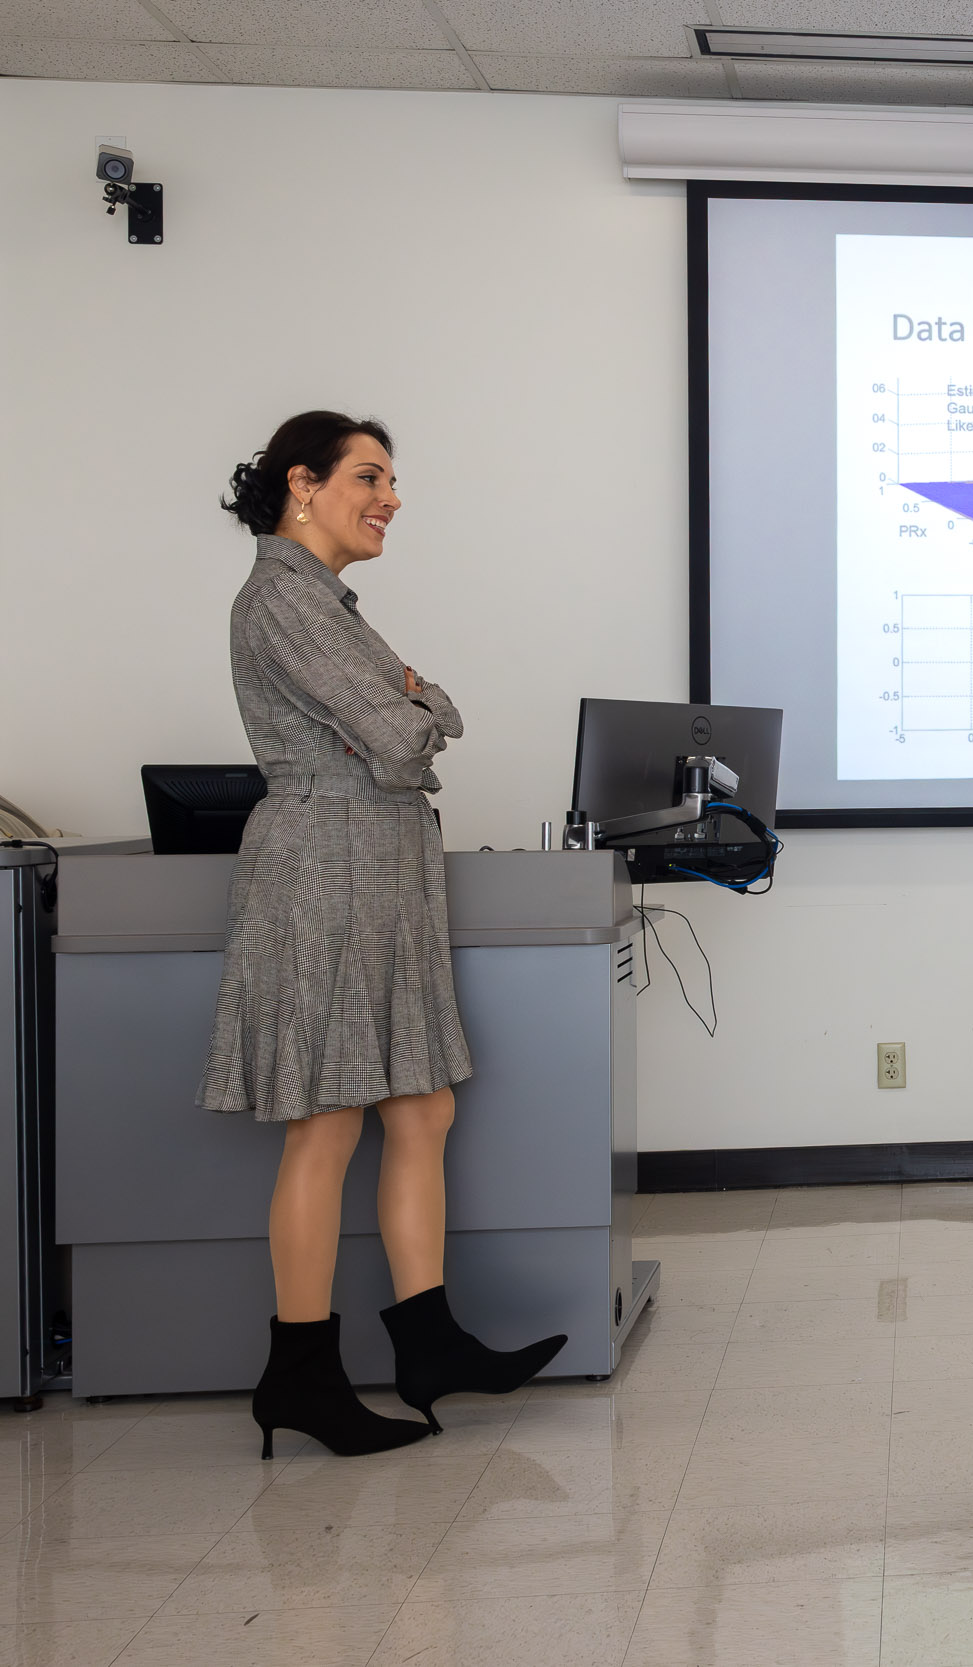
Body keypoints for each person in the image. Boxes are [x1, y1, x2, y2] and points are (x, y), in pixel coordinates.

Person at [203, 411, 564, 1458]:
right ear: (302, 483)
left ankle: (431, 1343)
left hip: (380, 868)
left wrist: (416, 706)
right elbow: (409, 734)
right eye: (371, 476)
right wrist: (414, 708)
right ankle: (300, 1372)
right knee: (328, 1121)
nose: (392, 498)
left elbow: (421, 709)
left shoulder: (330, 603)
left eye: (393, 480)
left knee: (423, 1104)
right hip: (326, 870)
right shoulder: (282, 598)